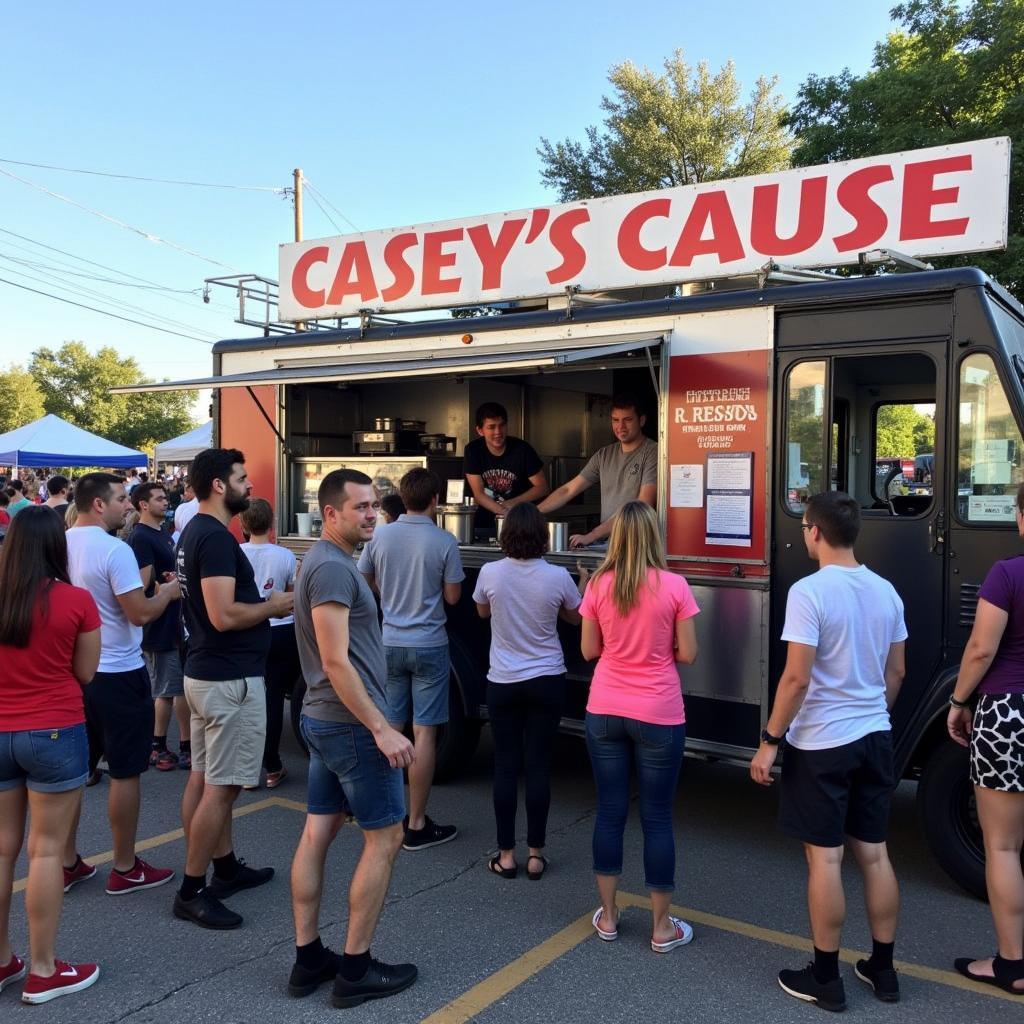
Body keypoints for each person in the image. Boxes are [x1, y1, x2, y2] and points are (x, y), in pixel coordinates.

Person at [750, 491, 907, 1011]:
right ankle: (883, 971)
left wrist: (770, 742)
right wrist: (871, 713)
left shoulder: (809, 591)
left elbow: (796, 678)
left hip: (822, 743)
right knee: (876, 854)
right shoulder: (887, 592)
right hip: (874, 736)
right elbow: (896, 672)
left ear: (815, 531)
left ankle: (825, 978)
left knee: (825, 859)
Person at [290, 468, 417, 1007]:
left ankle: (309, 959)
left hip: (325, 722)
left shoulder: (326, 563)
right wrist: (381, 728)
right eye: (360, 507)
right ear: (331, 513)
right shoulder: (334, 570)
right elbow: (336, 661)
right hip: (349, 725)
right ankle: (356, 970)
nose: (371, 514)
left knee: (319, 832)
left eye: (373, 506)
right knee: (385, 839)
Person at [173, 448, 292, 930]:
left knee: (203, 780)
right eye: (243, 477)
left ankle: (222, 869)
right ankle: (191, 889)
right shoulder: (218, 540)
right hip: (228, 681)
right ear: (220, 485)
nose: (250, 485)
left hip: (205, 673)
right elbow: (224, 615)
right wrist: (274, 603)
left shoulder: (192, 534)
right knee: (220, 789)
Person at [580, 500, 699, 953]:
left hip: (605, 709)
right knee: (657, 817)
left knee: (610, 813)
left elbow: (590, 650)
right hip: (658, 712)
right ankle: (662, 928)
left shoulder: (598, 585)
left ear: (617, 539)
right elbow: (688, 654)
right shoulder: (674, 585)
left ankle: (608, 918)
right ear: (653, 537)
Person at [0, 507, 101, 1004]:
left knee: (2, 849)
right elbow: (85, 673)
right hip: (55, 729)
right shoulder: (75, 600)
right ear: (56, 547)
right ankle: (43, 969)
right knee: (44, 851)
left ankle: (1, 962)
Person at [64, 473, 179, 897]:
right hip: (117, 670)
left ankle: (66, 861)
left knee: (75, 772)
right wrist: (168, 592)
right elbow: (139, 613)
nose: (127, 507)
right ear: (98, 504)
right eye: (120, 500)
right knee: (126, 772)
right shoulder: (115, 549)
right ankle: (126, 866)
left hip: (77, 672)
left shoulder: (58, 544)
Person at [473, 503, 584, 880]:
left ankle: (506, 856)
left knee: (505, 766)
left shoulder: (490, 572)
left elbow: (482, 614)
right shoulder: (557, 577)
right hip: (546, 679)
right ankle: (536, 855)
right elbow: (575, 617)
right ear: (542, 536)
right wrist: (583, 583)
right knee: (538, 765)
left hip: (503, 681)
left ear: (506, 535)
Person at [357, 467, 463, 850]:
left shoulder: (380, 536)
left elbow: (363, 579)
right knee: (424, 733)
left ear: (403, 498)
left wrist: (388, 591)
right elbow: (452, 597)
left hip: (389, 641)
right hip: (430, 643)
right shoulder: (444, 541)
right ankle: (416, 824)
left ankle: (381, 814)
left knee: (388, 727)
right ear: (435, 499)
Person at [947, 481, 1024, 995]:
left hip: (1007, 714)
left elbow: (980, 649)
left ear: (1020, 517)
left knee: (1002, 846)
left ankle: (1013, 964)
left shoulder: (1007, 574)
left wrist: (957, 703)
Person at [539, 393, 657, 548]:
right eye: (615, 420)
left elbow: (643, 505)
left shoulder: (654, 452)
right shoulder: (604, 455)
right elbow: (569, 490)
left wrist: (592, 535)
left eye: (627, 420)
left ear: (641, 420)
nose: (620, 427)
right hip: (608, 543)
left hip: (637, 546)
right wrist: (533, 512)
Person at [128, 482, 190, 772]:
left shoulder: (161, 532)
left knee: (175, 688)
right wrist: (165, 587)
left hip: (175, 621)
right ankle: (159, 747)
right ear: (143, 504)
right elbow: (140, 586)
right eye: (160, 499)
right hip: (159, 625)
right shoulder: (141, 536)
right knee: (167, 689)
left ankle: (178, 745)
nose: (166, 502)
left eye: (166, 498)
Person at [240, 497, 298, 789]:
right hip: (282, 632)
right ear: (272, 522)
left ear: (243, 524)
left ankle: (249, 772)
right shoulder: (285, 555)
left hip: (248, 629)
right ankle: (273, 767)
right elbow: (290, 598)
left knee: (247, 700)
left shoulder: (236, 553)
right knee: (274, 700)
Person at [463, 402, 548, 535]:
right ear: (480, 430)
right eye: (491, 427)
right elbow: (478, 494)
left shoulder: (522, 449)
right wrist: (504, 512)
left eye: (501, 425)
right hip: (483, 526)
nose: (498, 432)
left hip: (520, 526)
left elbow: (541, 488)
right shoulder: (473, 450)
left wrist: (511, 504)